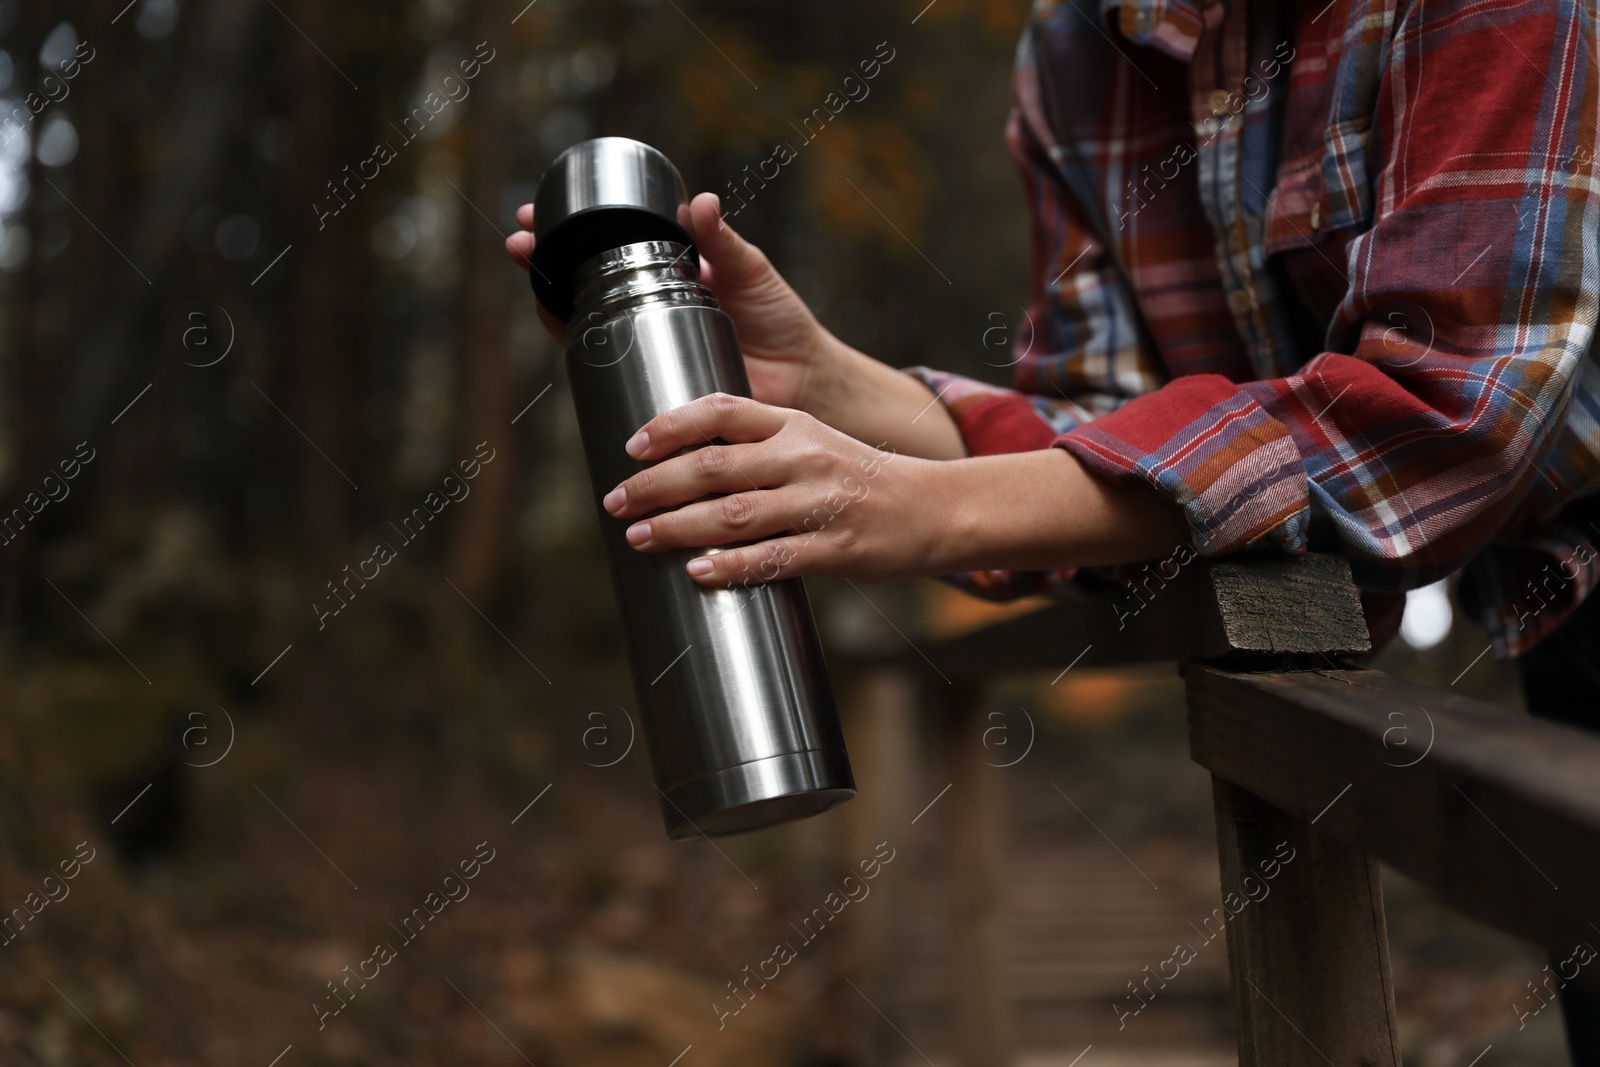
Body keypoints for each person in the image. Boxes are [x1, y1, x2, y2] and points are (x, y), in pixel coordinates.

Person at [509, 0, 1600, 1051]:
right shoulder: (1077, 47)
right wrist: (836, 388)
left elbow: (1448, 414)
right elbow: (1120, 448)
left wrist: (927, 509)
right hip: (1557, 619)